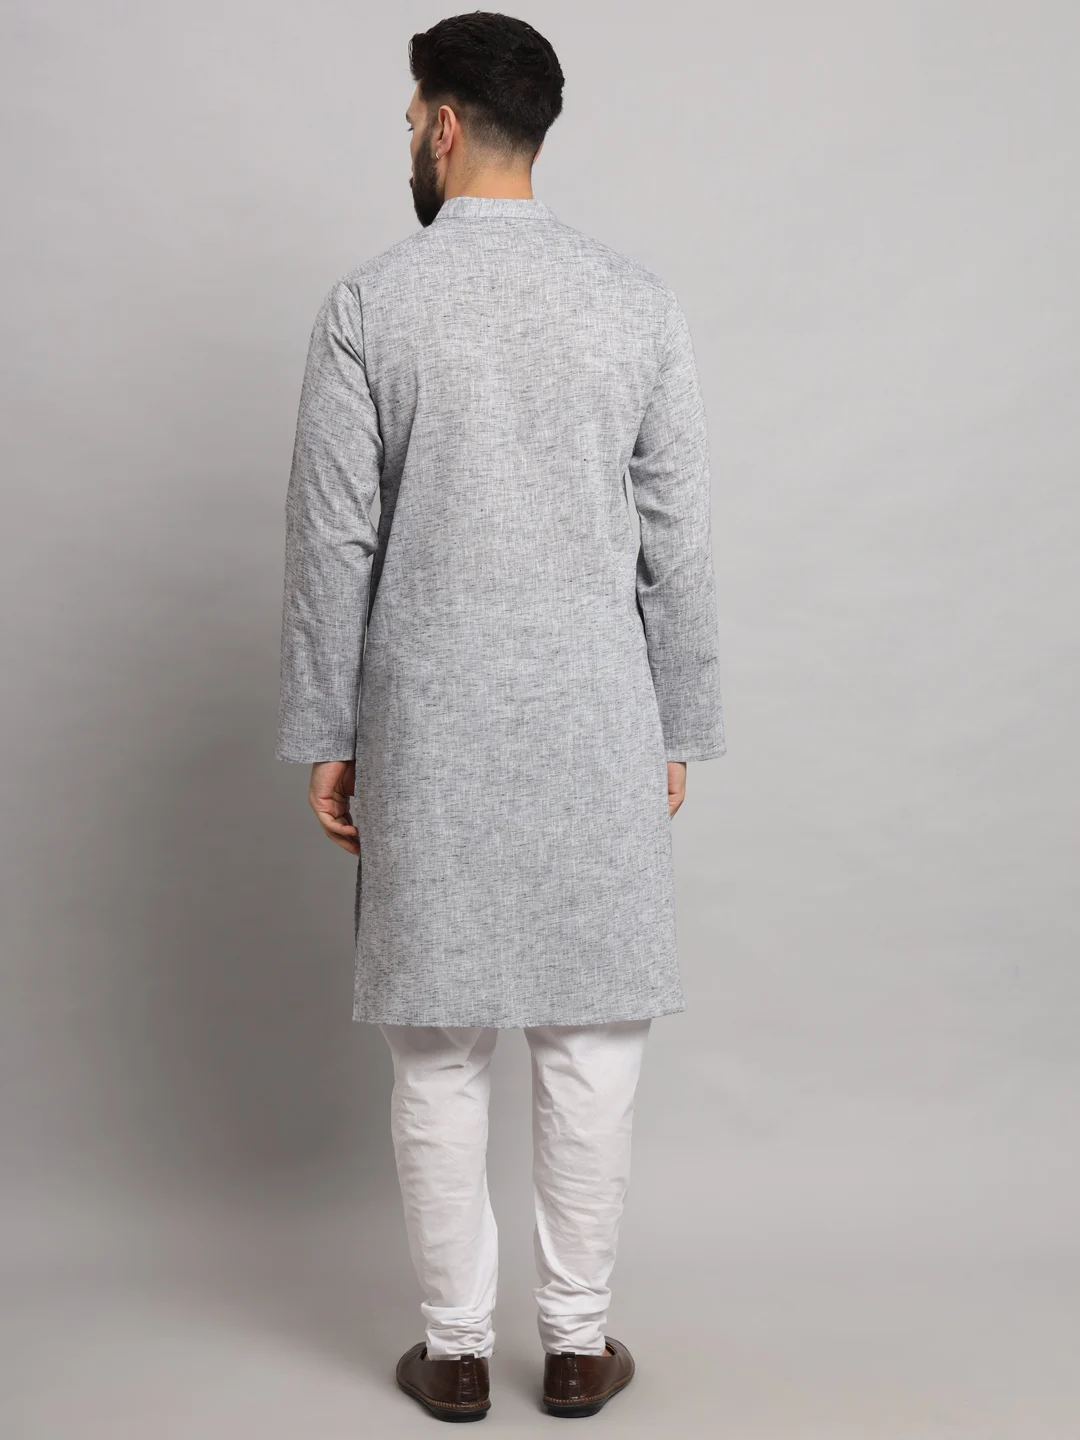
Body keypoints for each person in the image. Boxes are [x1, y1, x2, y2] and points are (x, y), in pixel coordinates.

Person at [275, 10, 725, 1423]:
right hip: (596, 717)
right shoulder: (636, 302)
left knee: (437, 1045)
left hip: (426, 723)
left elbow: (333, 542)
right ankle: (578, 1347)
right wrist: (677, 725)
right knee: (591, 1044)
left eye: (411, 117)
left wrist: (328, 731)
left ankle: (458, 1352)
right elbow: (680, 541)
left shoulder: (370, 305)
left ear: (445, 123)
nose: (408, 137)